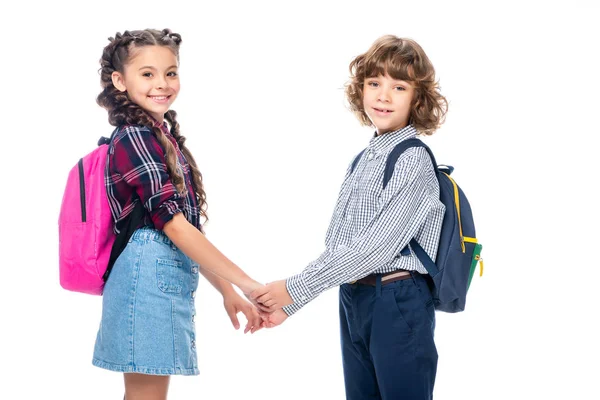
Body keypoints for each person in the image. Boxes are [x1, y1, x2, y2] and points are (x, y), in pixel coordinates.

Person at [252, 35, 448, 400]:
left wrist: (293, 287)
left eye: (398, 87)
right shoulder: (364, 159)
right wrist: (289, 305)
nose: (383, 96)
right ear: (361, 90)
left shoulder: (413, 160)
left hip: (397, 300)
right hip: (355, 297)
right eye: (374, 83)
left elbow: (373, 250)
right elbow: (340, 248)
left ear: (417, 99)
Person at [91, 28, 264, 400]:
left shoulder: (158, 136)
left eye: (171, 72)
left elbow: (185, 229)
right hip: (145, 280)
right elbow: (174, 226)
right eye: (148, 73)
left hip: (155, 278)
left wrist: (227, 290)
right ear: (120, 81)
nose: (163, 83)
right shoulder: (134, 136)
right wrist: (249, 284)